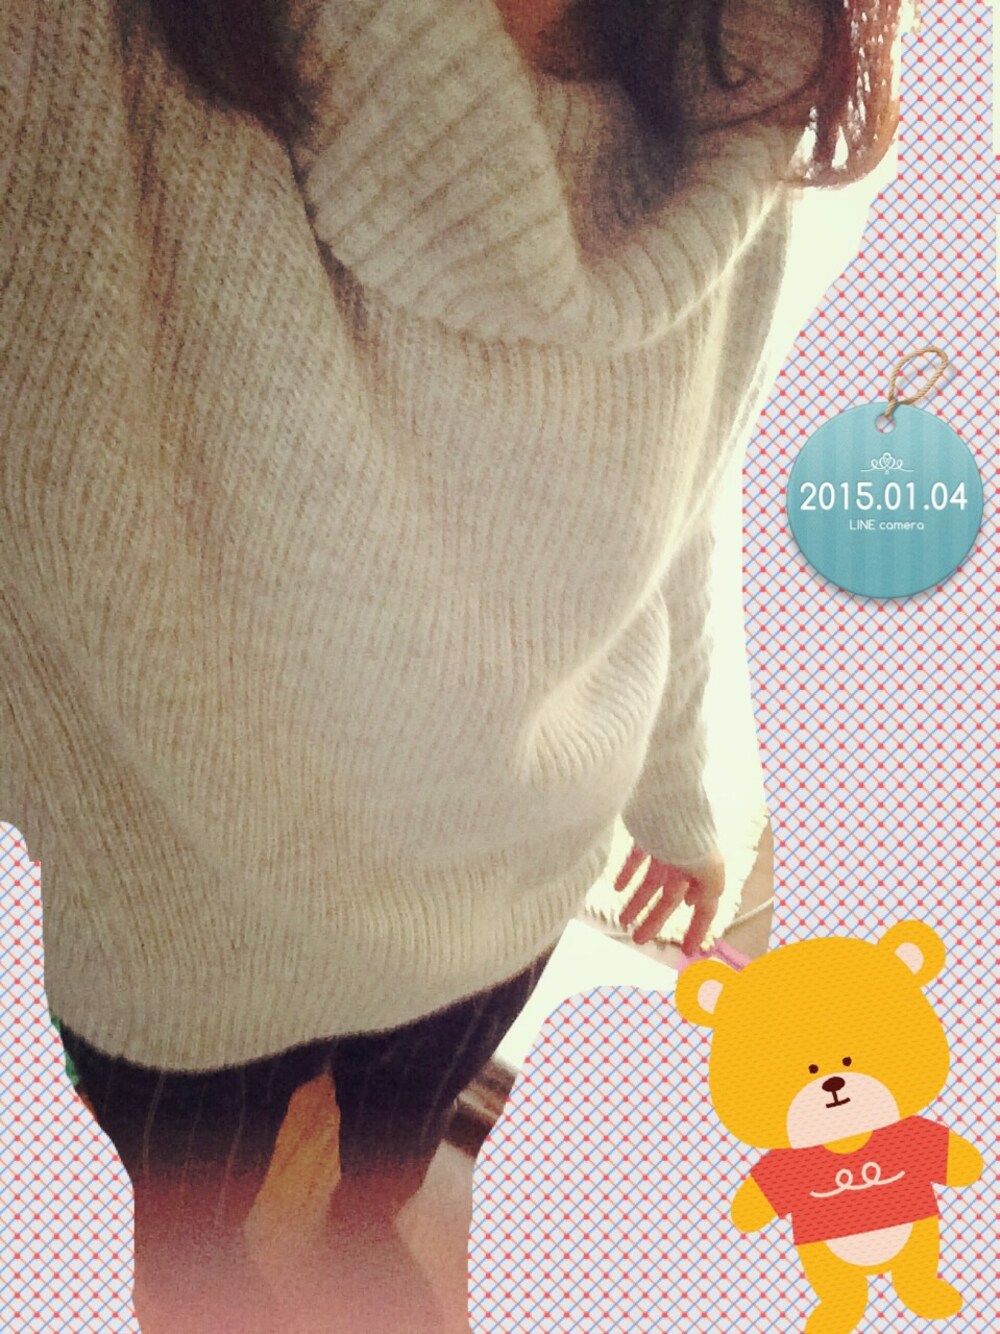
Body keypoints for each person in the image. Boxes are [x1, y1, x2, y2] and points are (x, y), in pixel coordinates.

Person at [0, 0, 904, 1328]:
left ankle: (358, 1236)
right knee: (184, 1232)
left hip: (505, 895)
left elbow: (684, 498)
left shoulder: (740, 68)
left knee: (385, 1165)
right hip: (184, 929)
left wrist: (676, 788)